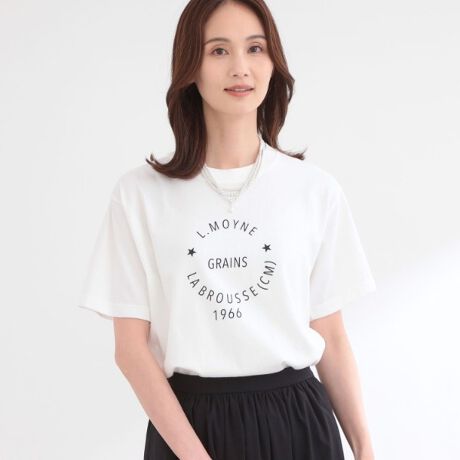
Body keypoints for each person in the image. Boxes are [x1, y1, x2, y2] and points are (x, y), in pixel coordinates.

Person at [77, 0, 377, 459]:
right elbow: (131, 350)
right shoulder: (139, 195)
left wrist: (365, 448)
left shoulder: (313, 190)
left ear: (273, 63)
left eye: (255, 48)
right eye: (218, 50)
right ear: (189, 67)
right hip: (190, 425)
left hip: (299, 423)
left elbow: (331, 339)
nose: (240, 67)